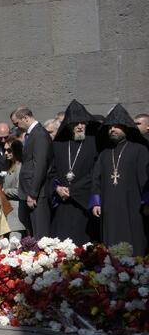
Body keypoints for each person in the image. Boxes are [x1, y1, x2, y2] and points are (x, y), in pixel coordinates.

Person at [90, 104, 149, 255]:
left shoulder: (140, 150)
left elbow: (145, 179)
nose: (112, 130)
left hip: (133, 205)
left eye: (117, 126)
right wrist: (96, 202)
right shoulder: (104, 153)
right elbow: (96, 178)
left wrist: (146, 202)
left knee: (134, 239)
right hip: (108, 206)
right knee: (110, 243)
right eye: (110, 127)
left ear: (126, 128)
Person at [50, 100, 100, 245]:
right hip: (63, 202)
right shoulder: (58, 144)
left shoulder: (94, 143)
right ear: (68, 125)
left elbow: (96, 172)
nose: (79, 126)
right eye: (75, 123)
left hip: (84, 202)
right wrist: (57, 188)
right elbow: (51, 172)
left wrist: (74, 190)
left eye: (83, 122)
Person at [11, 106, 53, 238]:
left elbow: (40, 165)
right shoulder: (32, 134)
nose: (16, 127)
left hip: (37, 194)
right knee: (33, 233)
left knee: (40, 233)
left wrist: (33, 193)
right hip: (30, 192)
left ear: (26, 118)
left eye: (17, 123)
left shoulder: (39, 134)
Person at [0, 138, 26, 239]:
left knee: (14, 244)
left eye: (9, 150)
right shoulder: (11, 166)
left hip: (16, 215)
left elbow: (20, 191)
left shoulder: (20, 168)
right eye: (5, 150)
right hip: (8, 212)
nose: (6, 153)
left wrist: (4, 191)